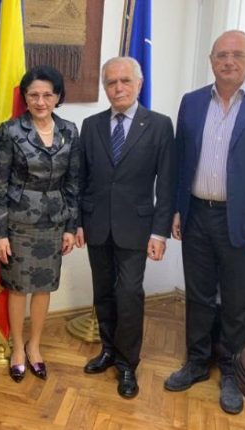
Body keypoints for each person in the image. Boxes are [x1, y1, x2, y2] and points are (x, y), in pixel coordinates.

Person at [164, 30, 245, 414]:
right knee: (198, 295)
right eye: (221, 55)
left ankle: (233, 372)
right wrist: (177, 209)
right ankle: (196, 362)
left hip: (242, 221)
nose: (228, 61)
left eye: (237, 54)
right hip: (196, 214)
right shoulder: (191, 102)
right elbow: (180, 161)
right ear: (211, 60)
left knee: (235, 302)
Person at [76, 57, 176, 399]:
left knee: (129, 294)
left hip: (137, 227)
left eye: (125, 81)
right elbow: (82, 179)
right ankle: (107, 350)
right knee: (103, 292)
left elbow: (167, 184)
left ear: (139, 84)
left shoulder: (159, 125)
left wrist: (159, 233)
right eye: (111, 82)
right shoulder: (91, 125)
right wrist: (78, 222)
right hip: (97, 225)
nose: (118, 88)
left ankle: (127, 363)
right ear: (105, 87)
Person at [0, 65, 80, 383]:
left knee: (43, 287)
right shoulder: (11, 130)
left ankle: (35, 346)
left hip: (54, 221)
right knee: (18, 288)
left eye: (47, 95)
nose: (40, 102)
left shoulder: (70, 130)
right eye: (33, 95)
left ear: (58, 97)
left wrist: (70, 226)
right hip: (19, 222)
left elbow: (73, 182)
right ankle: (17, 348)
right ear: (25, 98)